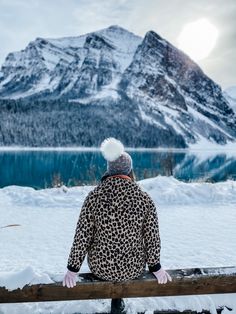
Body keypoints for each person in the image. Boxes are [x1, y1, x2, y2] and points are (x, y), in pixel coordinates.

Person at [63, 138, 172, 288]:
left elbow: (83, 235)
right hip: (134, 268)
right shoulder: (143, 198)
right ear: (129, 170)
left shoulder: (95, 196)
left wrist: (73, 269)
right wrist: (155, 267)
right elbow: (152, 236)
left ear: (109, 169)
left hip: (100, 268)